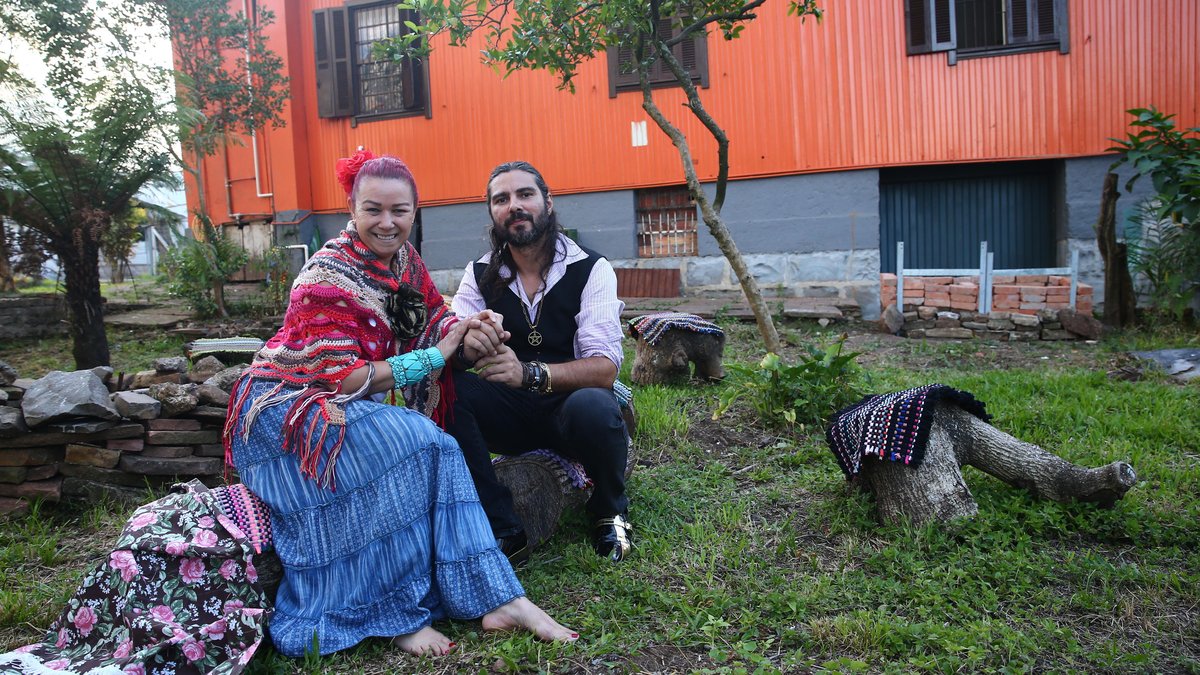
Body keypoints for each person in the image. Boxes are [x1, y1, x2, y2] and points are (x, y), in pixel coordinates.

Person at [223, 150, 577, 658]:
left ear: (415, 212)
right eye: (373, 210)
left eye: (400, 211)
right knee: (417, 442)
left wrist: (472, 330)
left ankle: (500, 598)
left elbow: (433, 318)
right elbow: (344, 379)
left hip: (343, 402)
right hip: (289, 411)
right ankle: (394, 614)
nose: (387, 223)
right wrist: (437, 354)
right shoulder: (326, 276)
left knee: (433, 443)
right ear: (352, 209)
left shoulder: (404, 261)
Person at [448, 160, 633, 564]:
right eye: (501, 199)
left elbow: (605, 367)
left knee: (595, 404)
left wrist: (529, 374)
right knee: (448, 390)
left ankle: (608, 510)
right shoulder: (480, 274)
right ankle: (503, 525)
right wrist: (471, 342)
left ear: (548, 202)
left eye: (525, 194)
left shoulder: (590, 268)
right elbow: (453, 342)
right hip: (509, 415)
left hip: (568, 411)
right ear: (492, 213)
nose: (514, 205)